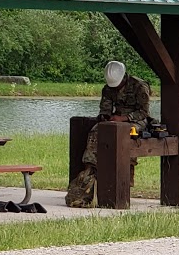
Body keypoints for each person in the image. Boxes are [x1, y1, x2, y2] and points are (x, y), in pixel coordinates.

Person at [65, 61, 158, 208]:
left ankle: (123, 178)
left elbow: (143, 112)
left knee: (123, 135)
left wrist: (123, 119)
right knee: (95, 131)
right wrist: (105, 117)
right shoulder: (108, 89)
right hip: (115, 119)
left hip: (136, 121)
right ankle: (90, 169)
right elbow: (105, 108)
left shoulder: (140, 86)